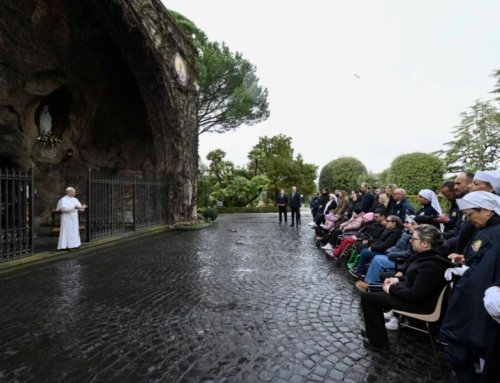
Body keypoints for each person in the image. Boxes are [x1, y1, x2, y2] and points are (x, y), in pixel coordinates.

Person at [360, 224, 451, 351]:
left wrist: (390, 289)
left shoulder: (432, 265)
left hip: (421, 306)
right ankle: (375, 331)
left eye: (414, 238)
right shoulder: (428, 257)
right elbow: (413, 277)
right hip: (417, 298)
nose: (410, 241)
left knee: (368, 298)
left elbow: (415, 295)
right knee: (373, 293)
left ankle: (379, 343)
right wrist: (396, 279)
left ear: (425, 243)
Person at [440, 192, 500, 382]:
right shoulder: (486, 228)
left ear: (487, 211)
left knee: (464, 355)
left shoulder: (496, 233)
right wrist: (466, 264)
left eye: (470, 214)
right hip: (471, 297)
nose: (467, 219)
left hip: (480, 306)